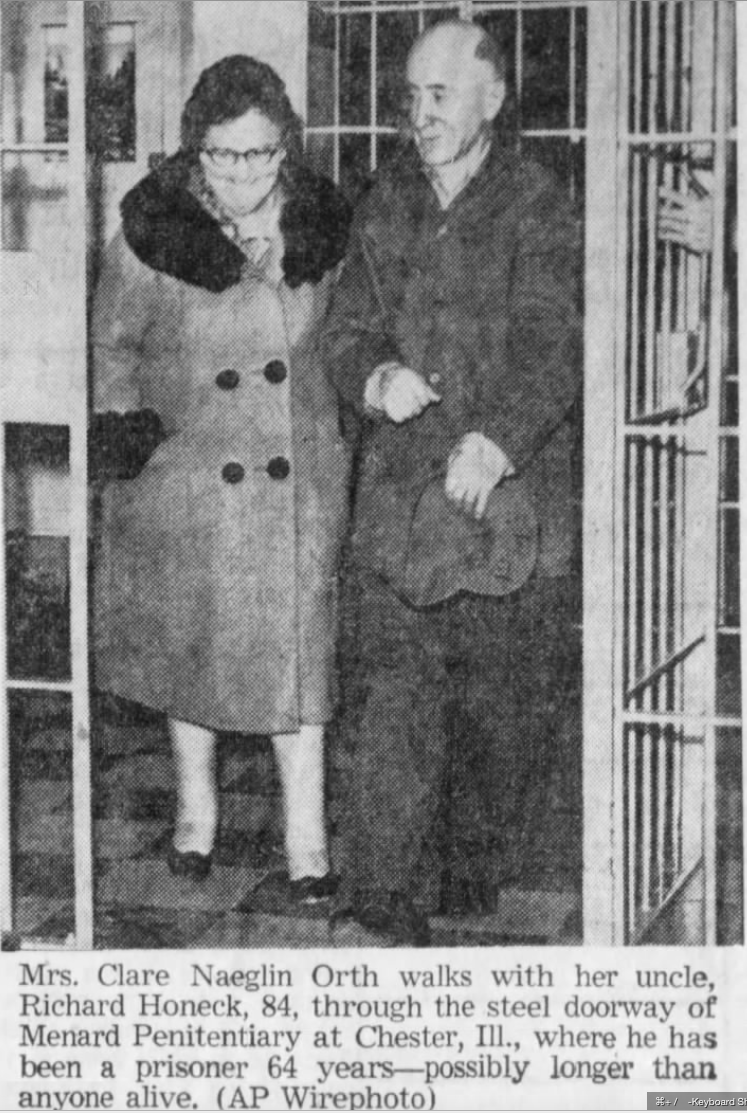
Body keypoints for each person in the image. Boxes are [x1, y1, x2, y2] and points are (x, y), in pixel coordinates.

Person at [323, 20, 582, 945]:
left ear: (493, 99)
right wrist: (373, 376)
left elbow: (555, 342)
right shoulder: (383, 199)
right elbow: (344, 328)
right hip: (400, 503)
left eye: (439, 95)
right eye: (410, 96)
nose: (419, 113)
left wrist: (497, 440)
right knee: (392, 694)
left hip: (500, 506)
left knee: (492, 712)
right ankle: (383, 895)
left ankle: (466, 870)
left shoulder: (540, 203)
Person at [90, 55, 352, 900]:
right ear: (193, 149)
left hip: (299, 480)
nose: (242, 174)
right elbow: (111, 347)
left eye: (260, 153)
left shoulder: (322, 227)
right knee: (193, 653)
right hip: (190, 479)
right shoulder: (151, 230)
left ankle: (306, 840)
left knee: (300, 662)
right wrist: (127, 440)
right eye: (222, 155)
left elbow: (353, 334)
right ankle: (194, 816)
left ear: (287, 148)